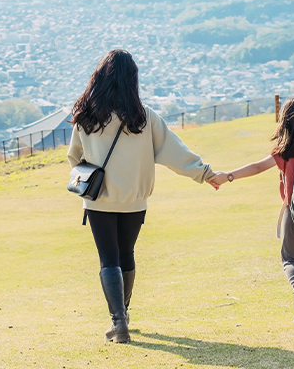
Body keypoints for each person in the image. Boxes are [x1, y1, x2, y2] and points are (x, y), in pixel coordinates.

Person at [67, 50, 217, 344]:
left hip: (98, 200)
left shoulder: (86, 116)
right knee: (126, 255)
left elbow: (74, 157)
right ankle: (123, 314)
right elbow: (176, 152)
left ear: (100, 78)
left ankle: (118, 322)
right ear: (131, 79)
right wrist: (206, 173)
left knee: (108, 258)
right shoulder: (144, 117)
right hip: (135, 200)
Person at [208, 97, 294, 326]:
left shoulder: (285, 151)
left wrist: (228, 176)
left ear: (286, 123)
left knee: (290, 259)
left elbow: (257, 167)